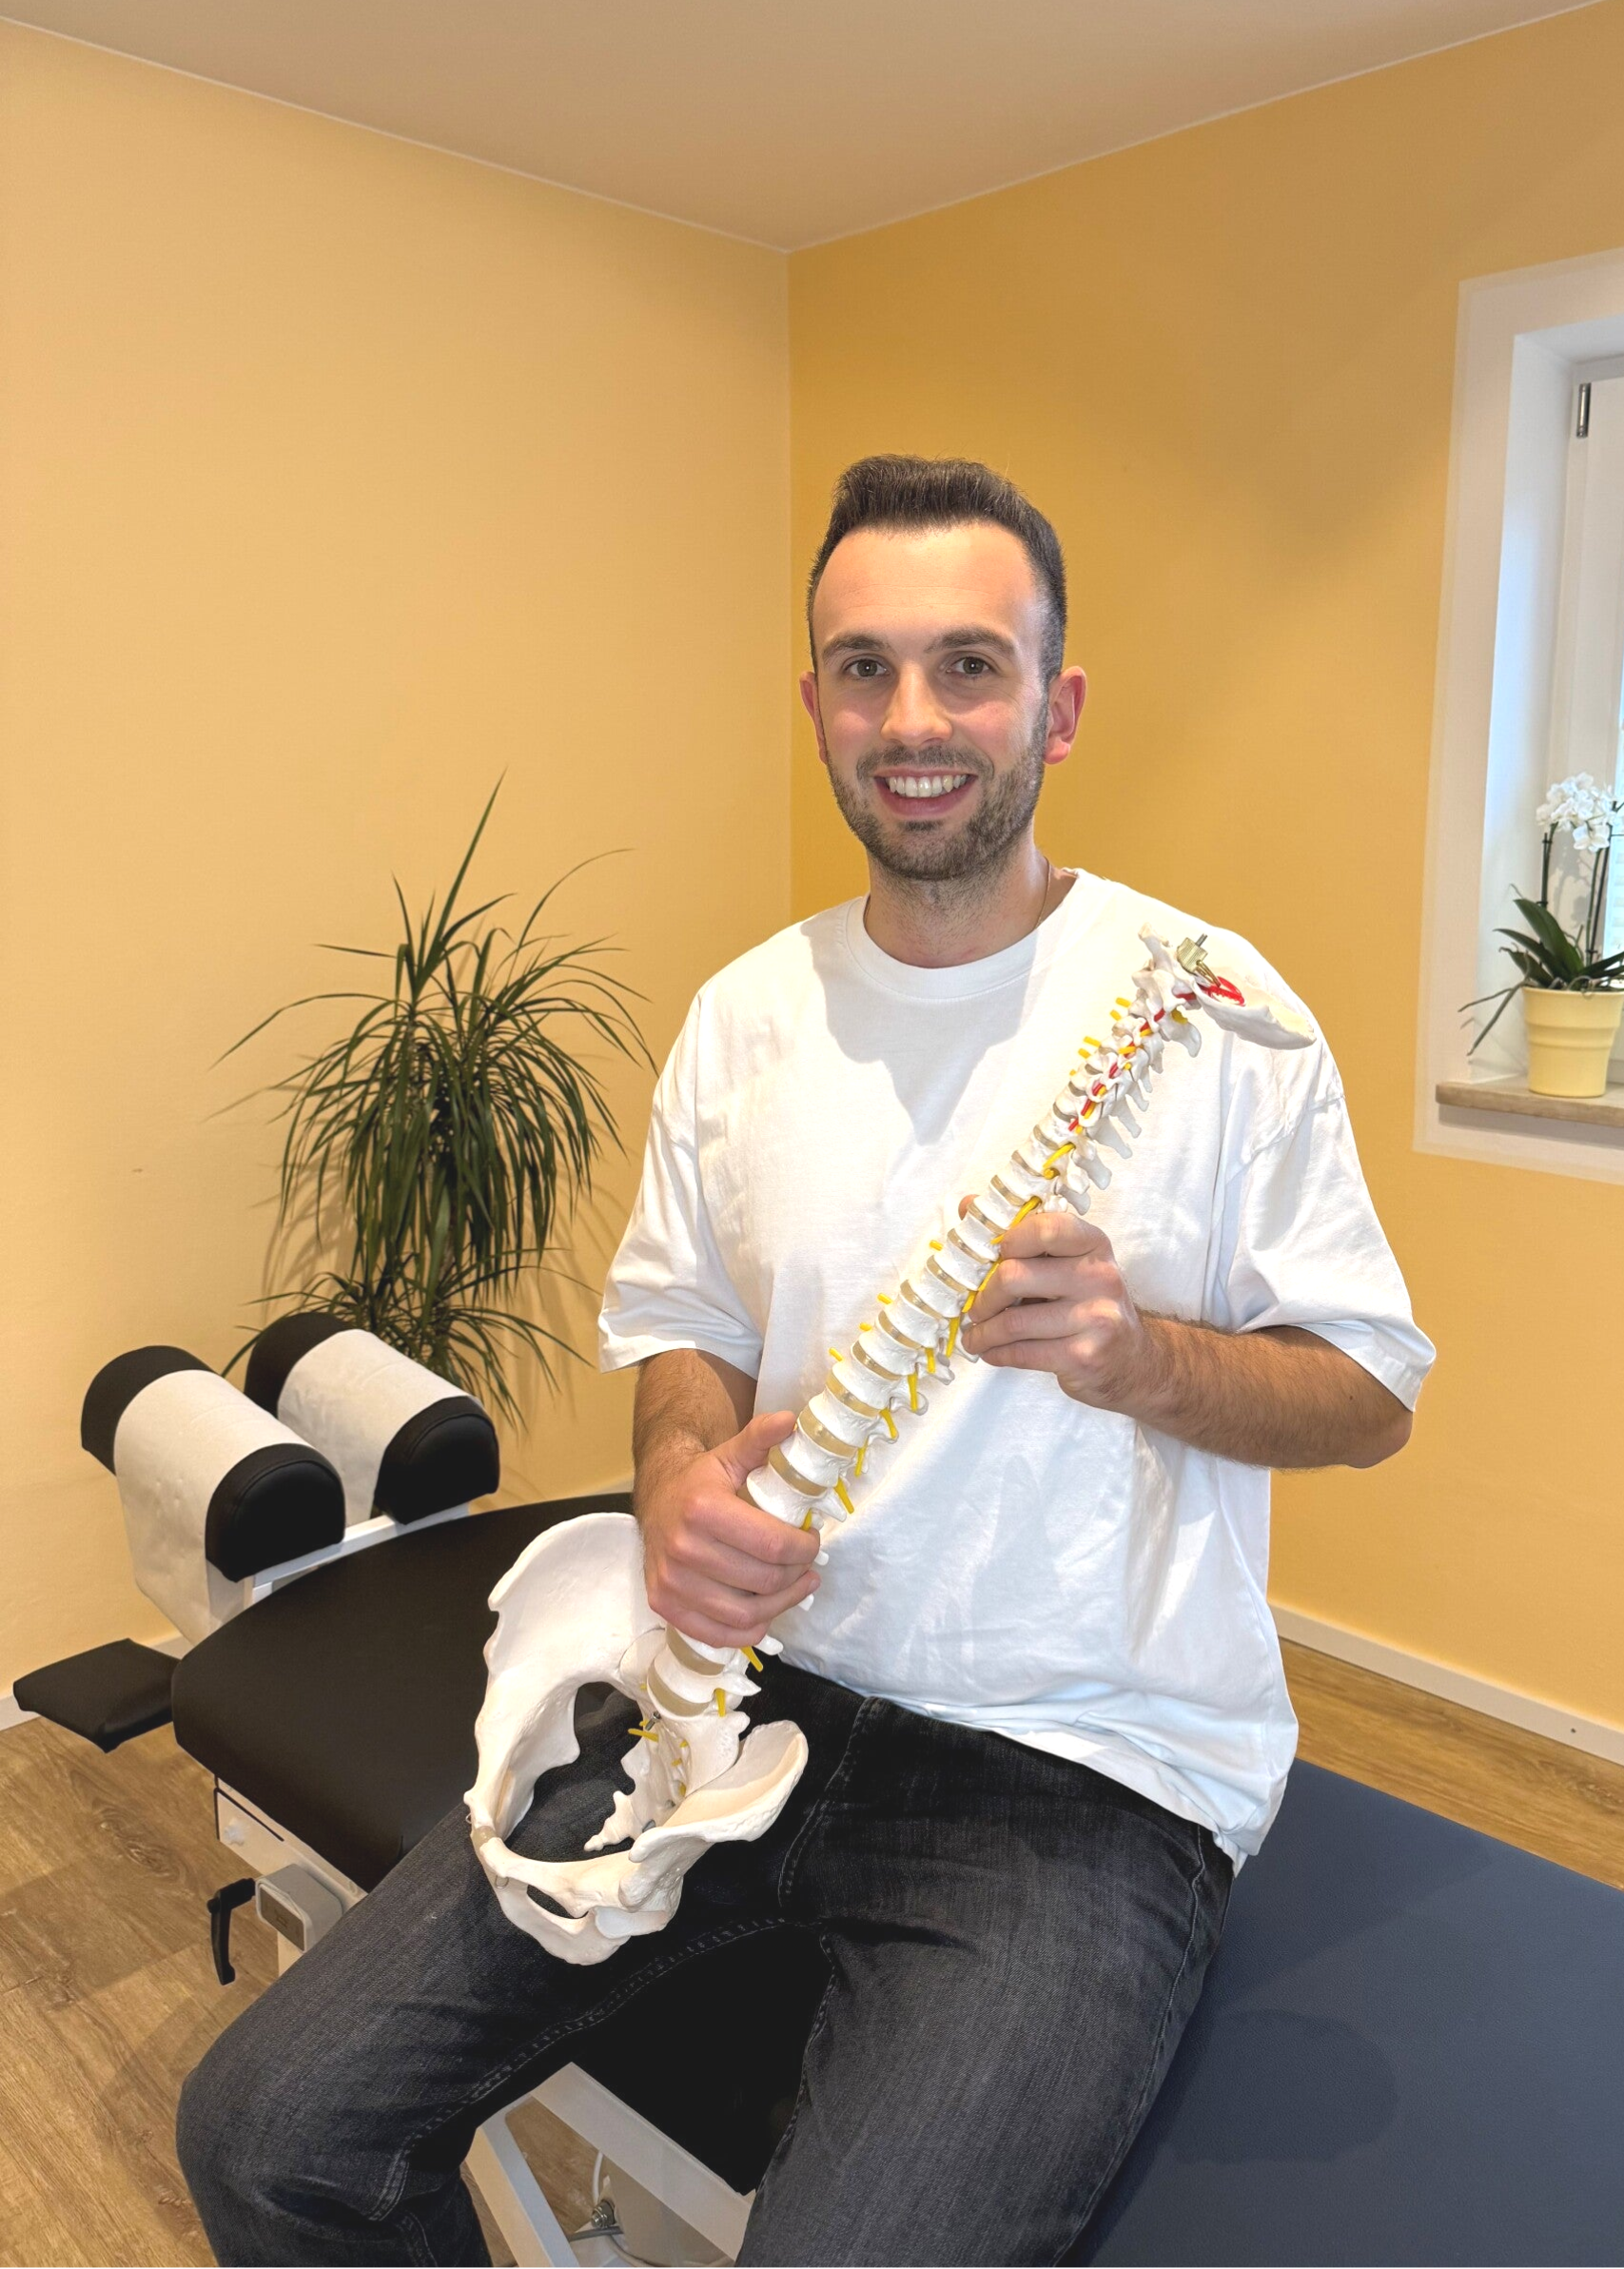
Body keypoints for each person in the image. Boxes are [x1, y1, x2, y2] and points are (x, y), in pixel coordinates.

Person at [179, 455, 1433, 2268]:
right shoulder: (748, 1017)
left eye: (968, 666)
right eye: (864, 668)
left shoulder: (1218, 1017)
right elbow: (683, 1330)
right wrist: (680, 1482)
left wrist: (1144, 1357)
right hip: (736, 1693)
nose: (913, 720)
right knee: (266, 2134)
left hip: (1076, 1768)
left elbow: (1373, 1395)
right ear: (815, 701)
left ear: (1057, 706)